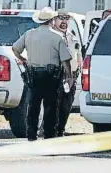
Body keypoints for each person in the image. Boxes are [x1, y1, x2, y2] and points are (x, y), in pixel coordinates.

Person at [12, 7, 72, 141]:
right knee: (51, 106)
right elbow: (65, 60)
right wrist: (69, 76)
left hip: (34, 75)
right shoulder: (57, 37)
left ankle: (31, 134)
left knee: (33, 106)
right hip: (52, 77)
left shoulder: (29, 34)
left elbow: (15, 49)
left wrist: (24, 60)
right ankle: (49, 134)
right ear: (52, 20)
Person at [53, 9, 82, 137]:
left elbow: (78, 55)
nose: (64, 21)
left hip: (71, 77)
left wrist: (77, 71)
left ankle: (60, 130)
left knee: (66, 106)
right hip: (56, 75)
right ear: (54, 20)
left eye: (66, 18)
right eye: (61, 18)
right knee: (54, 105)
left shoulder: (72, 36)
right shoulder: (52, 36)